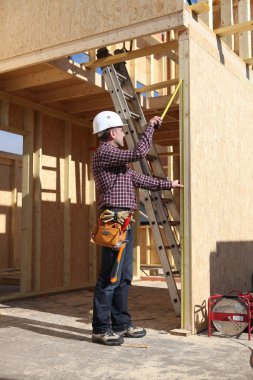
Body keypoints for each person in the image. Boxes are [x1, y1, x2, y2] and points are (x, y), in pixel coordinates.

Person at [91, 110, 183, 346]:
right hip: (114, 220)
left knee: (123, 277)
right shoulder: (105, 152)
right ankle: (101, 329)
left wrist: (168, 184)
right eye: (121, 130)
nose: (123, 134)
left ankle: (121, 324)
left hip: (125, 220)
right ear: (112, 132)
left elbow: (141, 180)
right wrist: (151, 126)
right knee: (109, 277)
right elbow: (140, 152)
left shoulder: (118, 162)